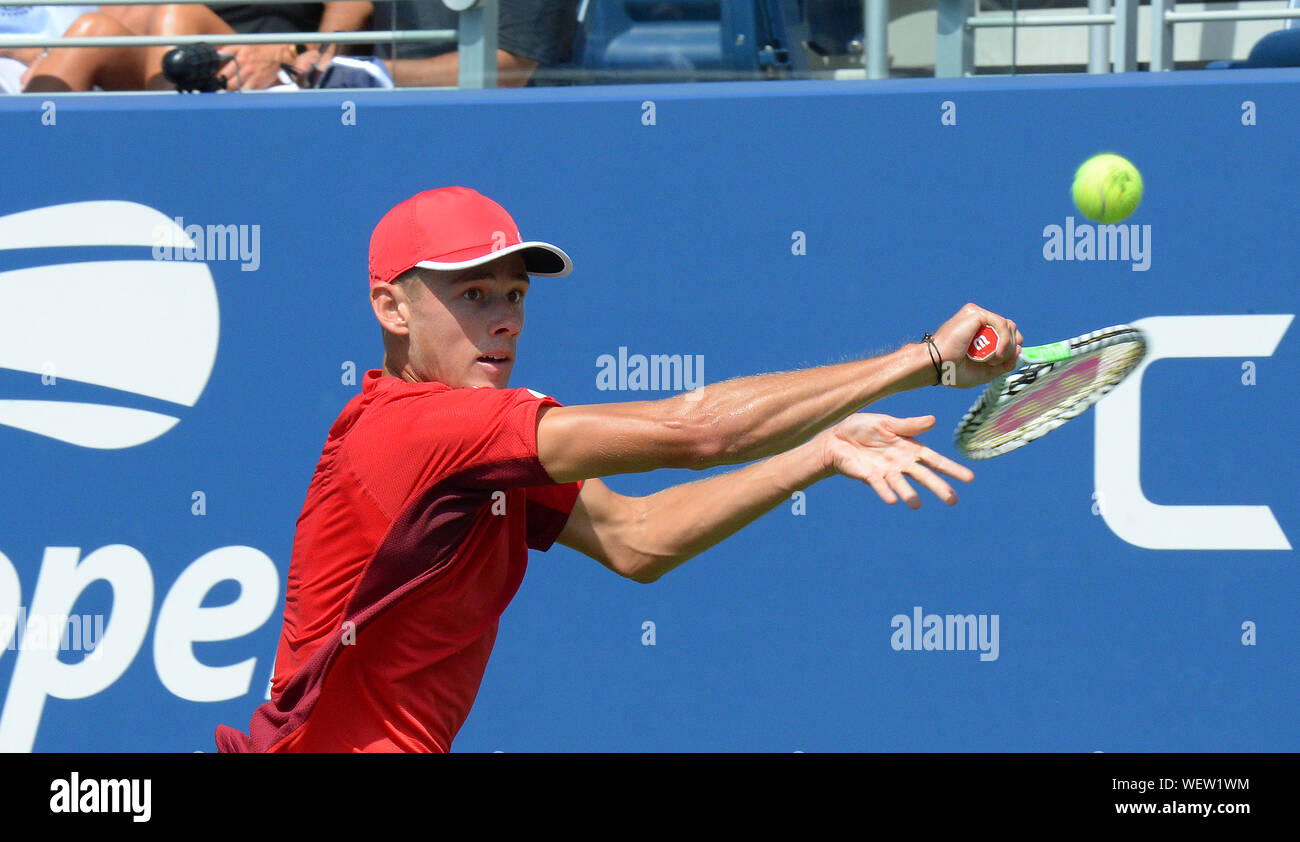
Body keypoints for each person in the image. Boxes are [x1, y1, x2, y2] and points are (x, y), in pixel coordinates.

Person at [215, 186, 1023, 753]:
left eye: (514, 295)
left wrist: (816, 453)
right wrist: (922, 362)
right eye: (472, 295)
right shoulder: (422, 429)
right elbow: (695, 431)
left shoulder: (483, 447)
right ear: (392, 310)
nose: (502, 319)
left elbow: (638, 538)